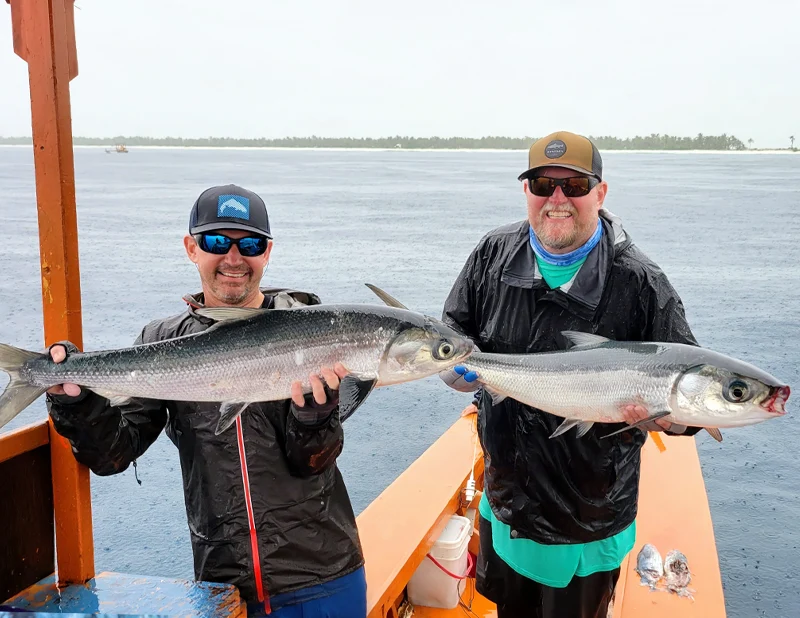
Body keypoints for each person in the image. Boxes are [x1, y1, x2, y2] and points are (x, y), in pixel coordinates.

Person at [45, 185, 366, 617]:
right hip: (224, 585)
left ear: (266, 252)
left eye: (249, 244)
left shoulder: (307, 330)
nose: (233, 259)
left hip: (325, 575)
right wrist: (76, 401)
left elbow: (313, 462)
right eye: (217, 242)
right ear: (191, 248)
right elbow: (113, 454)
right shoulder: (161, 342)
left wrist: (315, 417)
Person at [440, 132, 700, 618]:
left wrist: (671, 420)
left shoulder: (642, 283)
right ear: (526, 192)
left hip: (590, 517)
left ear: (600, 193)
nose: (557, 199)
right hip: (507, 503)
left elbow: (690, 390)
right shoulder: (491, 255)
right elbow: (454, 331)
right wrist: (456, 371)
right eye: (542, 183)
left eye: (575, 185)